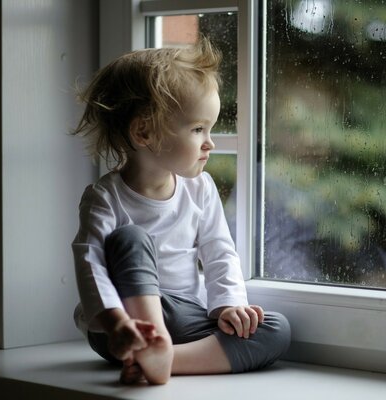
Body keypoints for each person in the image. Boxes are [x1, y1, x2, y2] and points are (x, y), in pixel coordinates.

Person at [70, 38, 290, 385]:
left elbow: (220, 251)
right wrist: (117, 324)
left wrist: (228, 305)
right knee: (130, 238)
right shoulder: (105, 197)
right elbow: (90, 264)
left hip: (183, 316)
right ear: (144, 132)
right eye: (198, 129)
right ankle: (147, 345)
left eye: (211, 129)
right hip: (122, 324)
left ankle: (163, 359)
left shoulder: (200, 189)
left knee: (275, 329)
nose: (210, 143)